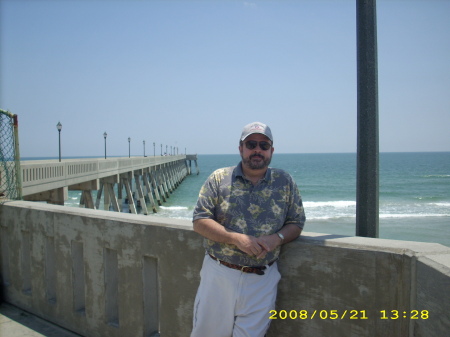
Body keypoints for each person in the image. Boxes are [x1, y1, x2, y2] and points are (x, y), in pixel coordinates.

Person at [191, 121, 306, 337]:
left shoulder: (285, 181)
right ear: (240, 148)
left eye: (264, 145)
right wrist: (235, 238)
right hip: (219, 275)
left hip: (263, 278)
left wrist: (277, 238)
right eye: (251, 144)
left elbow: (296, 222)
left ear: (271, 151)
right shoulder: (218, 179)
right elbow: (199, 220)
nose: (257, 150)